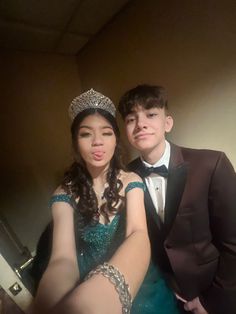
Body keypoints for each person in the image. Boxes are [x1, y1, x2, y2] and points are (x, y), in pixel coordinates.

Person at [32, 89, 180, 314]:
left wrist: (103, 290)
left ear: (116, 139)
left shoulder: (131, 180)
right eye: (86, 134)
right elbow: (62, 258)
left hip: (136, 275)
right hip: (84, 273)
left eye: (106, 133)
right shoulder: (64, 193)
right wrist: (46, 305)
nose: (97, 142)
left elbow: (138, 234)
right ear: (75, 141)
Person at [118, 84, 236, 314]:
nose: (141, 123)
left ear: (167, 123)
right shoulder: (125, 177)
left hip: (216, 295)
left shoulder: (212, 164)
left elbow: (234, 242)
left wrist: (211, 301)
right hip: (164, 296)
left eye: (151, 114)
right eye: (131, 119)